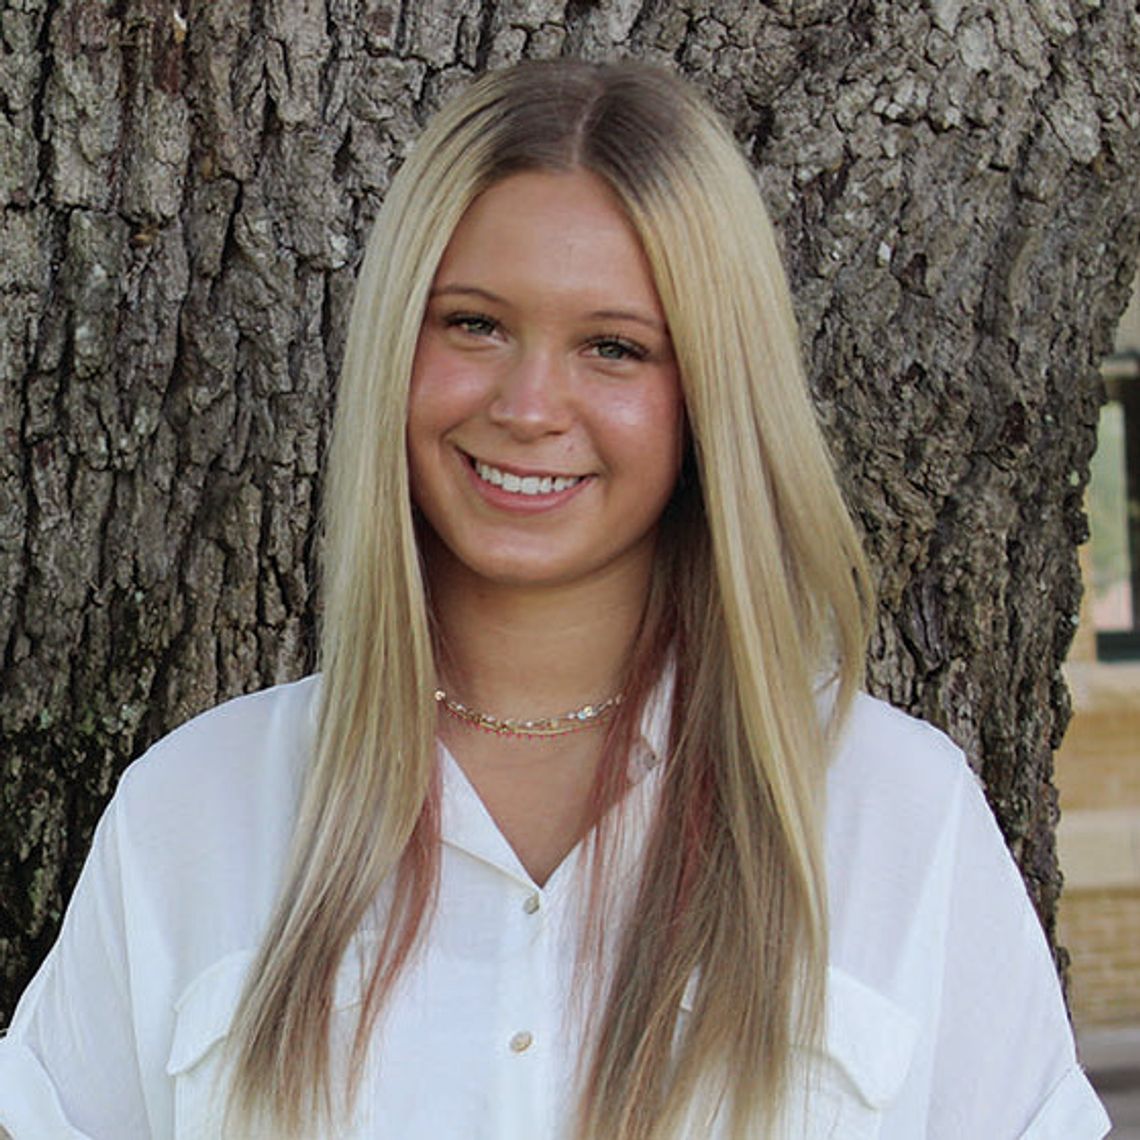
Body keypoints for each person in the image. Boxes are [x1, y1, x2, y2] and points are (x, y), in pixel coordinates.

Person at [0, 60, 1110, 1140]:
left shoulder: (893, 816)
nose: (530, 406)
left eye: (615, 348)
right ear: (399, 344)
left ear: (710, 398)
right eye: (474, 323)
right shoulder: (193, 812)